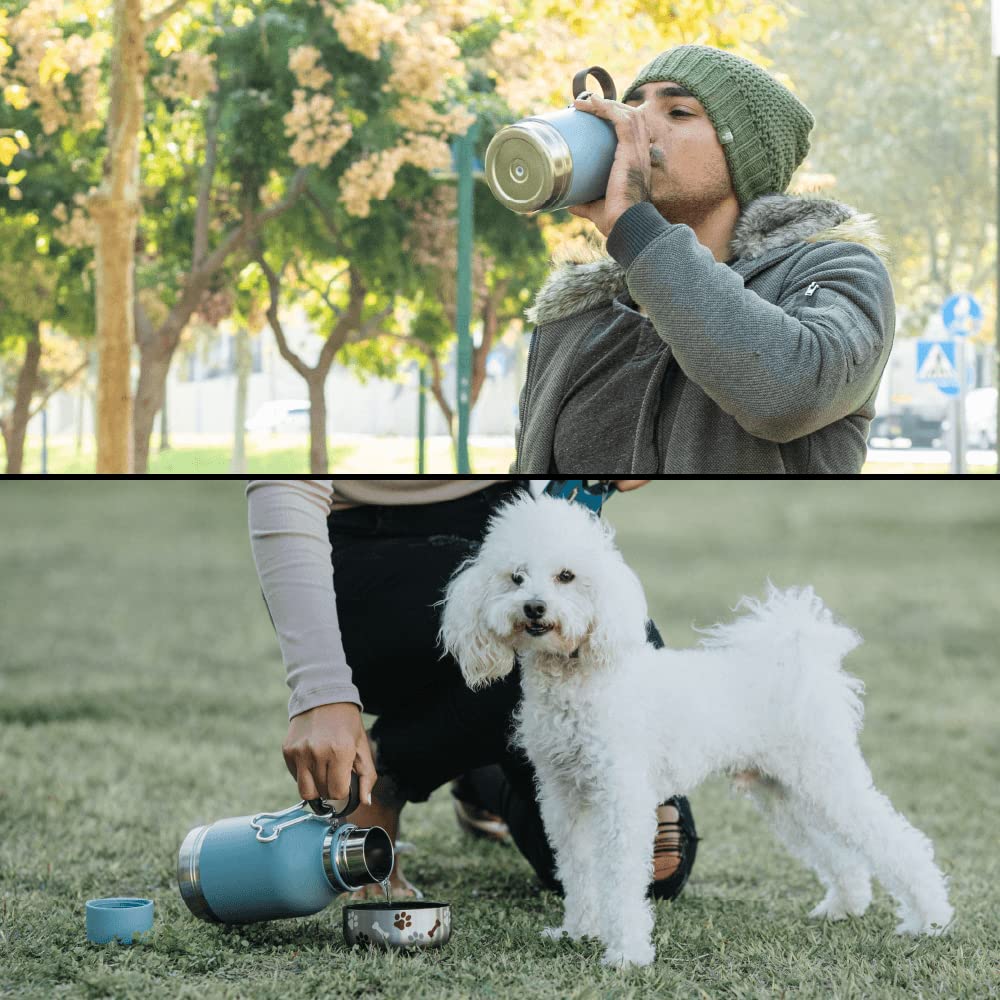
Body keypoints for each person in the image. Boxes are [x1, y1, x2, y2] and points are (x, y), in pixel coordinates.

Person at [247, 478, 698, 902]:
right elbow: (282, 486)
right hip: (364, 541)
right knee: (520, 654)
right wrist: (321, 692)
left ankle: (479, 772)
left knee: (649, 876)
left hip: (514, 508)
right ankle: (392, 767)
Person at [511, 44, 895, 474]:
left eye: (678, 112)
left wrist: (635, 229)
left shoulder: (838, 271)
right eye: (632, 108)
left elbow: (789, 393)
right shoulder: (578, 317)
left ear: (741, 157)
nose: (636, 129)